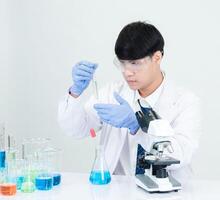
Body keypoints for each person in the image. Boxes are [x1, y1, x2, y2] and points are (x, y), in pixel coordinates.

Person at [58, 21, 202, 182]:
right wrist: (75, 92)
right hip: (118, 190)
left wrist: (138, 126)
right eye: (122, 63)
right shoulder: (112, 93)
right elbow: (77, 130)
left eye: (135, 64)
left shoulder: (185, 102)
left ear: (157, 57)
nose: (127, 72)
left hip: (166, 191)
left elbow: (180, 154)